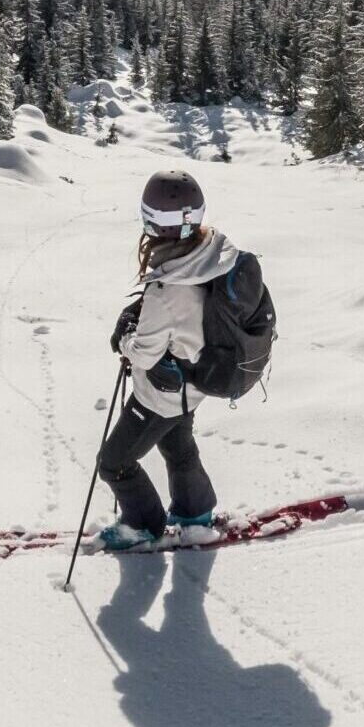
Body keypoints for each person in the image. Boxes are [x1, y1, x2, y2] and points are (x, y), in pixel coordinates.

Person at [98, 169, 241, 552]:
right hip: (193, 384)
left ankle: (143, 526)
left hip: (160, 396)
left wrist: (126, 334)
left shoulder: (168, 289)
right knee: (179, 448)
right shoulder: (208, 254)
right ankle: (194, 514)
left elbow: (144, 351)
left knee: (114, 463)